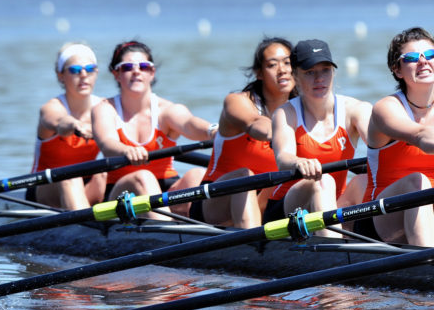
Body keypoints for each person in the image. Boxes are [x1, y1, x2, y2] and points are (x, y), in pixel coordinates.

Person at [360, 27, 434, 247]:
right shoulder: (386, 109)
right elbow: (421, 136)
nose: (423, 62)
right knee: (418, 181)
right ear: (397, 70)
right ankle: (432, 261)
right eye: (413, 58)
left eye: (430, 55)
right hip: (382, 215)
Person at [91, 40, 214, 216]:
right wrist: (126, 150)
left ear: (152, 72)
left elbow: (189, 124)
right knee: (143, 176)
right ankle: (169, 232)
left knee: (197, 175)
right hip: (122, 194)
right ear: (116, 74)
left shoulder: (167, 110)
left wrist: (213, 131)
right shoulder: (105, 109)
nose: (136, 71)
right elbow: (107, 143)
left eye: (143, 66)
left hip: (165, 187)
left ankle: (212, 232)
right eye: (127, 67)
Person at [263, 39, 371, 235]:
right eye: (310, 72)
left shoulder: (356, 110)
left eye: (325, 70)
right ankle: (335, 252)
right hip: (288, 207)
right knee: (323, 181)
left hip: (334, 203)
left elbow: (378, 143)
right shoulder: (286, 113)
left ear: (334, 72)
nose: (319, 78)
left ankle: (382, 243)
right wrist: (298, 161)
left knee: (364, 180)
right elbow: (283, 157)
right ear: (295, 75)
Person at [192, 37, 296, 228]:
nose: (282, 70)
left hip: (265, 200)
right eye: (272, 65)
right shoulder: (237, 102)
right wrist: (281, 133)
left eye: (288, 63)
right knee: (245, 177)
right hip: (215, 200)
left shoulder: (302, 110)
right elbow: (255, 123)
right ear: (259, 73)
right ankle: (252, 247)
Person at [29, 42, 106, 209]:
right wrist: (75, 125)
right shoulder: (51, 107)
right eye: (75, 70)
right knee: (70, 177)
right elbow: (59, 122)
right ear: (60, 76)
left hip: (85, 184)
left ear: (96, 73)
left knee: (103, 174)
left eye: (90, 69)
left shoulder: (105, 108)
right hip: (45, 185)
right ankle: (84, 228)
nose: (84, 75)